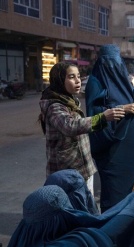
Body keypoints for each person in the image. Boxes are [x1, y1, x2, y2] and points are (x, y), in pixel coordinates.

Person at [85, 44, 134, 212]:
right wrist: (123, 110)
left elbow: (127, 99)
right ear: (100, 62)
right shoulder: (95, 83)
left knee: (130, 191)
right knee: (113, 194)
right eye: (108, 62)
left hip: (129, 149)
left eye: (116, 62)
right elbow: (95, 115)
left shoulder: (123, 80)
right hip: (111, 151)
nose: (112, 66)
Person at [38, 62, 125, 194]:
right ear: (60, 80)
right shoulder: (54, 106)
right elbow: (70, 126)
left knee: (86, 206)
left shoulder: (70, 100)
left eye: (78, 76)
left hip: (82, 168)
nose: (78, 81)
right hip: (66, 172)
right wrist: (102, 118)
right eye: (71, 77)